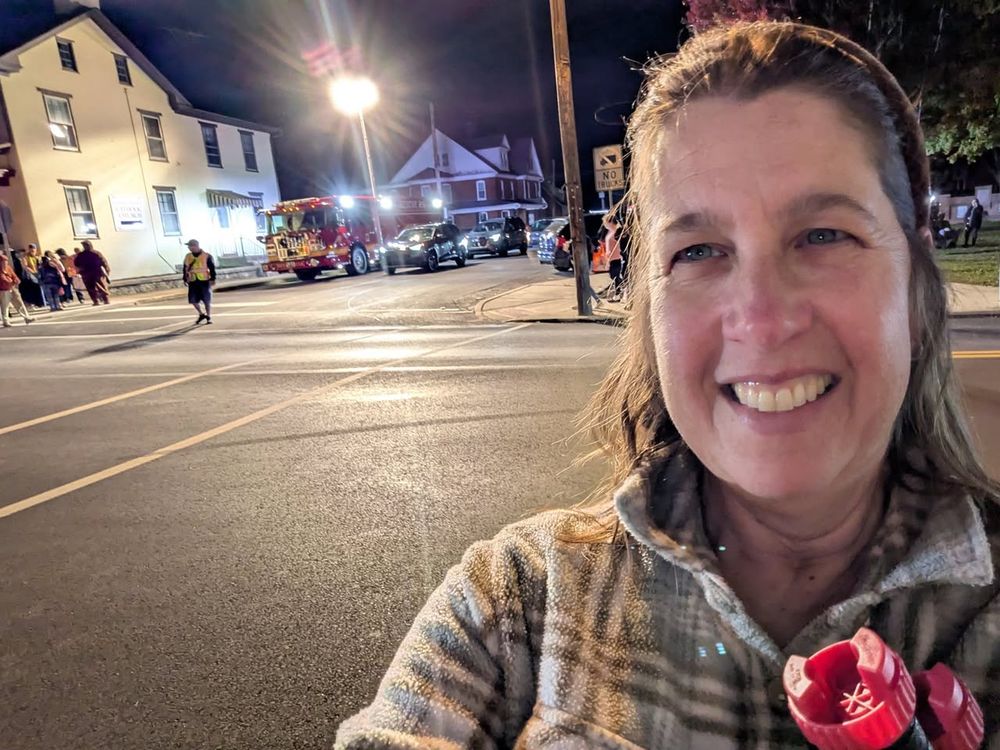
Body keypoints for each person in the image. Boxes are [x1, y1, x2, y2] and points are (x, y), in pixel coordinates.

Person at [336, 22, 1000, 748]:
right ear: (652, 310)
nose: (762, 319)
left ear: (915, 281)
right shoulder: (515, 606)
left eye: (824, 235)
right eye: (699, 251)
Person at [182, 239, 216, 324]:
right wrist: (185, 278)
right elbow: (185, 268)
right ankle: (201, 314)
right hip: (193, 280)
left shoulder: (206, 256)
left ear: (196, 246)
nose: (189, 248)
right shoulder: (188, 256)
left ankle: (208, 316)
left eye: (190, 246)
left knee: (206, 300)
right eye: (189, 246)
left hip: (204, 280)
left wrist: (213, 279)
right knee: (193, 300)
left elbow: (212, 268)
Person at [0, 250, 33, 327]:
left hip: (13, 288)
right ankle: (6, 321)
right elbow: (2, 279)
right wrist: (11, 281)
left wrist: (16, 280)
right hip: (4, 290)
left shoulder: (8, 268)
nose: (5, 263)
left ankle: (27, 317)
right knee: (5, 306)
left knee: (19, 303)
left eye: (6, 261)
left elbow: (14, 276)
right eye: (3, 261)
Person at [74, 240, 110, 305]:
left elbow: (103, 262)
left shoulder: (85, 254)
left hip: (93, 273)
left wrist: (106, 270)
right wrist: (107, 270)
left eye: (86, 245)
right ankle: (98, 300)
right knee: (92, 288)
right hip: (90, 273)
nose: (85, 247)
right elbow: (76, 263)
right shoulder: (85, 254)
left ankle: (102, 300)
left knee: (97, 286)